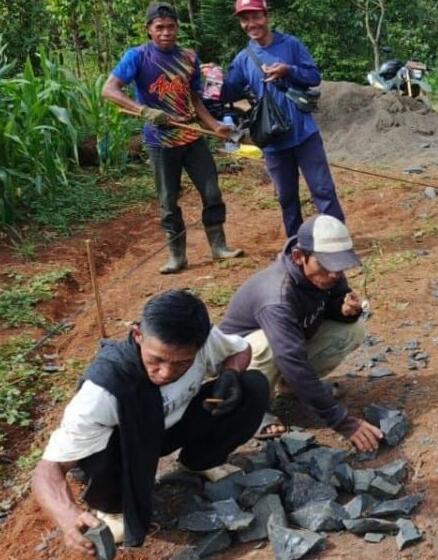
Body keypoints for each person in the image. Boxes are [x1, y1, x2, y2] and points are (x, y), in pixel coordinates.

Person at [32, 290, 267, 552]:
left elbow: (241, 349)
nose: (166, 373)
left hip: (166, 429)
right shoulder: (102, 392)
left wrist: (231, 374)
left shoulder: (205, 339)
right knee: (98, 451)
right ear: (137, 335)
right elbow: (47, 471)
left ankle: (200, 461)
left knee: (252, 387)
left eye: (182, 363)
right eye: (156, 360)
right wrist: (68, 516)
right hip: (125, 446)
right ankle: (112, 507)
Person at [220, 214, 383, 453]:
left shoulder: (328, 273)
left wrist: (344, 309)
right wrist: (342, 422)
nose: (335, 274)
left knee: (352, 330)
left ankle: (291, 387)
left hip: (287, 344)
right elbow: (291, 359)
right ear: (299, 257)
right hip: (235, 366)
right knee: (267, 344)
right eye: (327, 265)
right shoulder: (277, 296)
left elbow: (328, 305)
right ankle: (250, 410)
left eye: (340, 265)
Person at [102, 2, 243, 274]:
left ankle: (219, 247)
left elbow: (194, 98)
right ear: (149, 30)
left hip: (192, 136)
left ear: (177, 28)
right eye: (160, 27)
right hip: (160, 141)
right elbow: (109, 90)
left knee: (212, 191)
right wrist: (143, 110)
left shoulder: (189, 57)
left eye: (171, 27)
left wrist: (214, 125)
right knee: (168, 200)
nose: (166, 32)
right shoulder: (137, 57)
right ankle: (177, 256)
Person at [221, 0, 346, 238]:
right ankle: (295, 245)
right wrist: (214, 80)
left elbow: (314, 76)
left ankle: (337, 239)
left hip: (304, 134)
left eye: (255, 16)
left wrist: (288, 70)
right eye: (245, 19)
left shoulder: (291, 44)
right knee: (286, 197)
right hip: (273, 139)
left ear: (266, 16)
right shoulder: (243, 58)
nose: (251, 24)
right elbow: (230, 92)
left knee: (322, 190)